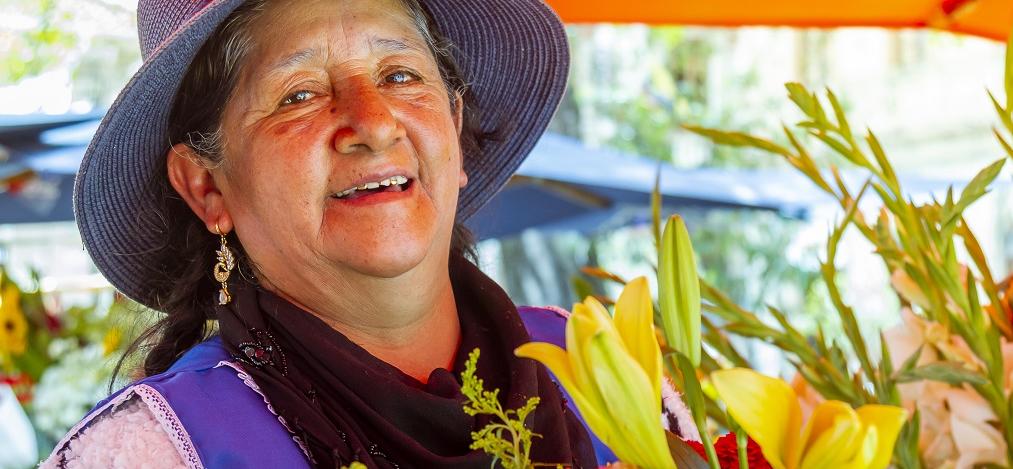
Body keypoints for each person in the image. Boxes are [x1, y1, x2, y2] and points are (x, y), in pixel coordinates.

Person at [41, 0, 695, 467]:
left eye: (400, 76)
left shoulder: (596, 361)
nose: (373, 122)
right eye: (298, 94)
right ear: (206, 186)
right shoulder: (162, 449)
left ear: (455, 128)